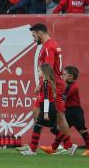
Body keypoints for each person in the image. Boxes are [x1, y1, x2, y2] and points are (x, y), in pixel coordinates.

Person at [20, 23, 72, 154]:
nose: (33, 39)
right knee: (36, 112)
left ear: (40, 33)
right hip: (50, 84)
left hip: (52, 85)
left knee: (60, 116)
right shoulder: (51, 45)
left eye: (34, 35)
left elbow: (48, 68)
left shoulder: (49, 47)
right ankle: (34, 145)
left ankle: (68, 145)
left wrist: (40, 84)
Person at [18, 64, 61, 156]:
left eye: (39, 71)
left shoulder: (45, 83)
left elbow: (46, 98)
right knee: (53, 129)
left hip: (47, 107)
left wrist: (45, 113)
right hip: (51, 107)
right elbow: (52, 96)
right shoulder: (50, 82)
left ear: (44, 72)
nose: (38, 72)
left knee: (37, 126)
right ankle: (68, 143)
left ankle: (32, 150)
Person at [58, 66, 89, 156]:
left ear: (70, 76)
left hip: (75, 112)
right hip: (69, 111)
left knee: (82, 130)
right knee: (61, 129)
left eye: (64, 74)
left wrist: (54, 95)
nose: (62, 76)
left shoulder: (72, 87)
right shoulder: (70, 86)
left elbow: (63, 97)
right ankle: (58, 147)